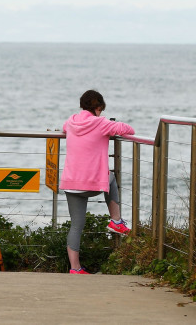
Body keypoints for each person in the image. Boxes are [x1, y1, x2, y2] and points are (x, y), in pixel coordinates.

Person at [60, 90, 134, 275]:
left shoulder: (71, 121)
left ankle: (75, 268)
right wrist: (112, 124)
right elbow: (128, 130)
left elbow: (63, 128)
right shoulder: (102, 123)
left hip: (71, 183)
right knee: (109, 177)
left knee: (76, 225)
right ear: (99, 107)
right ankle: (116, 220)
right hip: (92, 184)